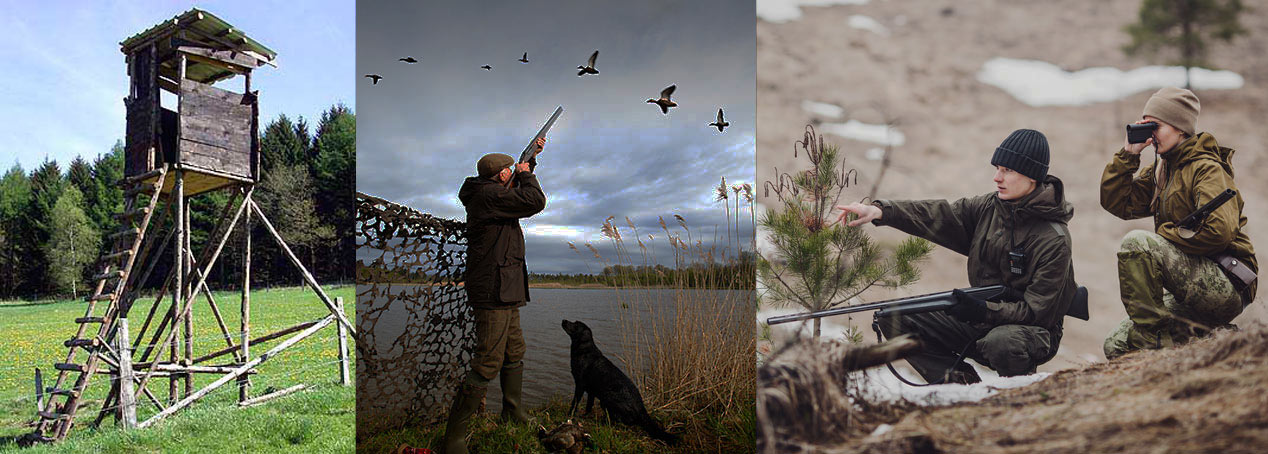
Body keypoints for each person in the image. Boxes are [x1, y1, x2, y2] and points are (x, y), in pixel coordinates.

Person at [836, 129, 1077, 384]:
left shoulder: (1055, 239)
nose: (997, 178)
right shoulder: (988, 207)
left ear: (1032, 177)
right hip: (982, 319)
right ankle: (960, 387)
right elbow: (938, 214)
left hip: (1031, 331)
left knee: (1003, 343)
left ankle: (1020, 391)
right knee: (893, 317)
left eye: (1008, 170)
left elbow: (1036, 312)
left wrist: (983, 311)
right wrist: (881, 212)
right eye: (997, 168)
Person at [1100, 87, 1257, 359]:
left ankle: (1155, 341)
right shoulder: (1163, 169)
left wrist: (1164, 234)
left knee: (1138, 242)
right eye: (1145, 125)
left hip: (1228, 283)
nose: (1149, 134)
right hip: (1192, 286)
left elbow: (1219, 232)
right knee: (1116, 344)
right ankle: (1217, 338)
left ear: (1180, 128)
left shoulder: (1207, 168)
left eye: (1155, 126)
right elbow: (1118, 202)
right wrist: (1129, 154)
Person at [442, 137, 547, 454]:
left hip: (506, 286)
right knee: (487, 361)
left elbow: (516, 196)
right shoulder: (487, 196)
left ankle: (511, 412)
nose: (510, 174)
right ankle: (453, 439)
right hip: (493, 290)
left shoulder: (493, 193)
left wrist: (533, 160)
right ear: (502, 175)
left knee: (514, 350)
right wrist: (526, 173)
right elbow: (533, 201)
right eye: (509, 171)